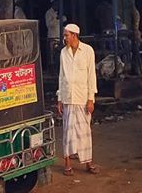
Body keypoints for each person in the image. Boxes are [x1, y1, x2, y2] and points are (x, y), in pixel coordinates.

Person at [57, 24, 100, 176]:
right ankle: (67, 164)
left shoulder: (87, 51)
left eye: (66, 35)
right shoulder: (64, 53)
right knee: (68, 132)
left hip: (82, 98)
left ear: (74, 35)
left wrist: (91, 99)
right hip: (69, 97)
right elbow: (62, 77)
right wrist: (60, 99)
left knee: (84, 131)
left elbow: (91, 76)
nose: (64, 38)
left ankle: (88, 162)